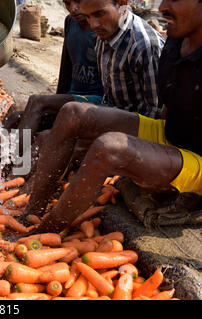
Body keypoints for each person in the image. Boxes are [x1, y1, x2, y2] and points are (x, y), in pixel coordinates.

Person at [22, 0, 202, 235]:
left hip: (197, 162)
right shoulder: (177, 40)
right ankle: (30, 214)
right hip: (170, 134)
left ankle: (40, 236)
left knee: (109, 147)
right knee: (72, 112)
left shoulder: (145, 42)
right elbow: (166, 107)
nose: (162, 7)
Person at [6, 0, 105, 155]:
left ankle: (11, 162)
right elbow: (66, 71)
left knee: (37, 102)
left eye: (78, 2)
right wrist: (55, 106)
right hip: (71, 97)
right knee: (16, 110)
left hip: (97, 104)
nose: (73, 9)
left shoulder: (103, 27)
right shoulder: (70, 22)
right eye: (67, 3)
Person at [79, 0, 165, 119]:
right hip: (108, 113)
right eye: (87, 16)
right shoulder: (104, 33)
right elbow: (109, 98)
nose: (93, 25)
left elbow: (155, 111)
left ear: (122, 4)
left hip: (131, 129)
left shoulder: (145, 45)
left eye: (99, 14)